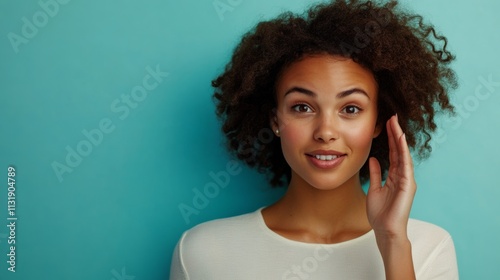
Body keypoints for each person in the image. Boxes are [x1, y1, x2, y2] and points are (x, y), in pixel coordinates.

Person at [170, 0, 459, 279]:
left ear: (378, 123)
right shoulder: (203, 251)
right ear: (275, 120)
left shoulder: (428, 248)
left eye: (350, 109)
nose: (325, 131)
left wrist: (393, 240)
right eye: (302, 107)